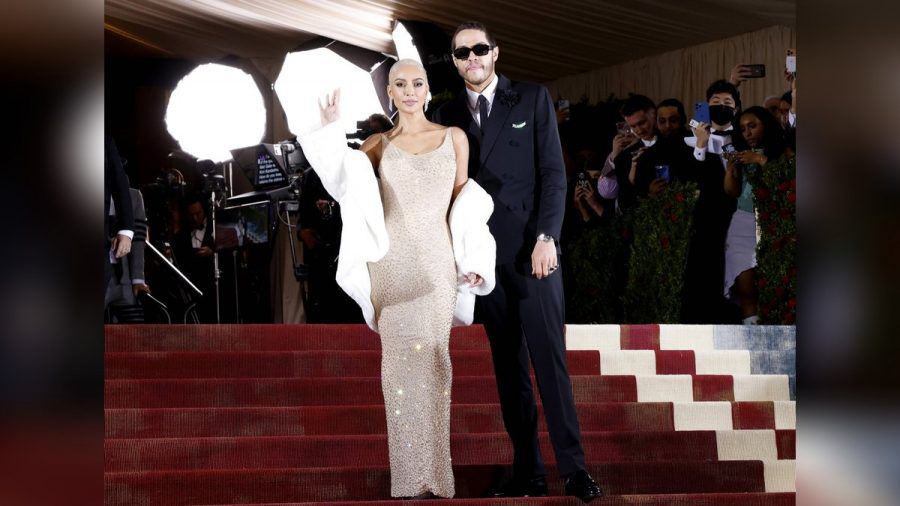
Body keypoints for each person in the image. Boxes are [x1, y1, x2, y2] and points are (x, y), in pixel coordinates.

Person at [297, 59, 496, 499]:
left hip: (437, 266)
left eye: (417, 83)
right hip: (390, 268)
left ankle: (435, 474)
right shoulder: (377, 145)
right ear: (390, 93)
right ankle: (410, 476)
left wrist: (475, 255)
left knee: (434, 361)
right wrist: (329, 129)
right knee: (399, 370)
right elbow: (338, 179)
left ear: (429, 90)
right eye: (400, 84)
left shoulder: (454, 138)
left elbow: (465, 204)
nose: (410, 91)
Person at [433, 21, 603, 502]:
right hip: (484, 260)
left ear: (495, 53)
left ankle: (573, 469)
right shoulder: (446, 114)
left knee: (550, 363)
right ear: (455, 60)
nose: (472, 58)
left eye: (479, 49)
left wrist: (548, 237)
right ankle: (528, 470)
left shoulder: (531, 97)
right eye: (462, 53)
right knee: (508, 368)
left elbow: (554, 174)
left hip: (535, 253)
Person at [724, 106, 790, 324]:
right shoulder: (741, 154)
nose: (747, 133)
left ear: (766, 125)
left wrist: (760, 160)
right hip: (743, 221)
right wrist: (731, 172)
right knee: (745, 286)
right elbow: (732, 192)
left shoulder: (784, 152)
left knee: (774, 286)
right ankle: (753, 342)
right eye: (743, 129)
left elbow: (788, 183)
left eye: (753, 126)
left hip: (774, 223)